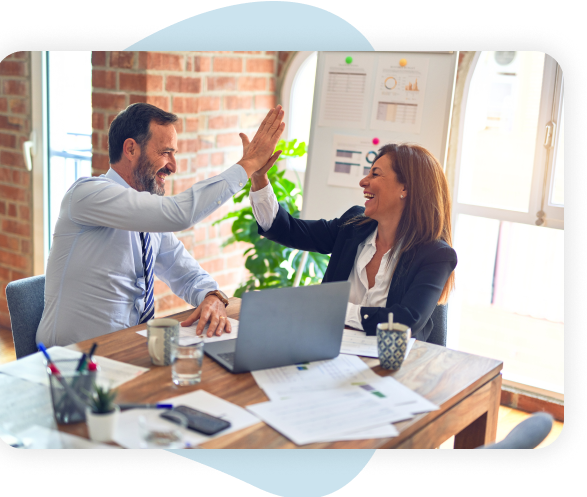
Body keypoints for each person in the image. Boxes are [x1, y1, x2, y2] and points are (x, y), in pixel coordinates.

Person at [36, 102, 285, 347]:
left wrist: (212, 296)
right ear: (131, 149)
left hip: (127, 352)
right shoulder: (87, 194)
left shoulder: (147, 219)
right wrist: (248, 164)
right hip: (71, 362)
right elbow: (179, 214)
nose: (173, 166)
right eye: (166, 152)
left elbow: (185, 273)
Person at [249, 143, 456, 343]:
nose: (363, 182)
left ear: (405, 188)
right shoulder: (353, 225)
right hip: (329, 352)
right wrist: (259, 178)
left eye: (375, 174)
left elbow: (405, 321)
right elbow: (288, 230)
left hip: (393, 367)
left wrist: (334, 309)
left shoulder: (436, 255)